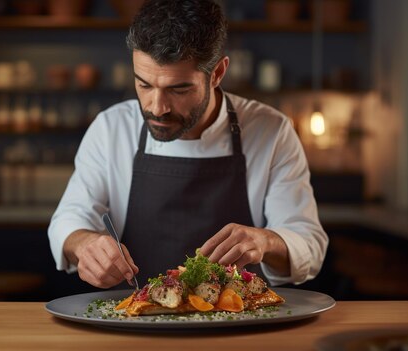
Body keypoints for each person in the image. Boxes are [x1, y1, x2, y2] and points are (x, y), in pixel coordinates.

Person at [48, 0, 328, 290]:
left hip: (239, 324)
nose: (157, 108)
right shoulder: (111, 129)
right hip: (135, 323)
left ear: (217, 73)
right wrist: (85, 244)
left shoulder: (271, 131)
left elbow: (310, 245)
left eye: (178, 89)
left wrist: (266, 241)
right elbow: (69, 220)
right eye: (144, 84)